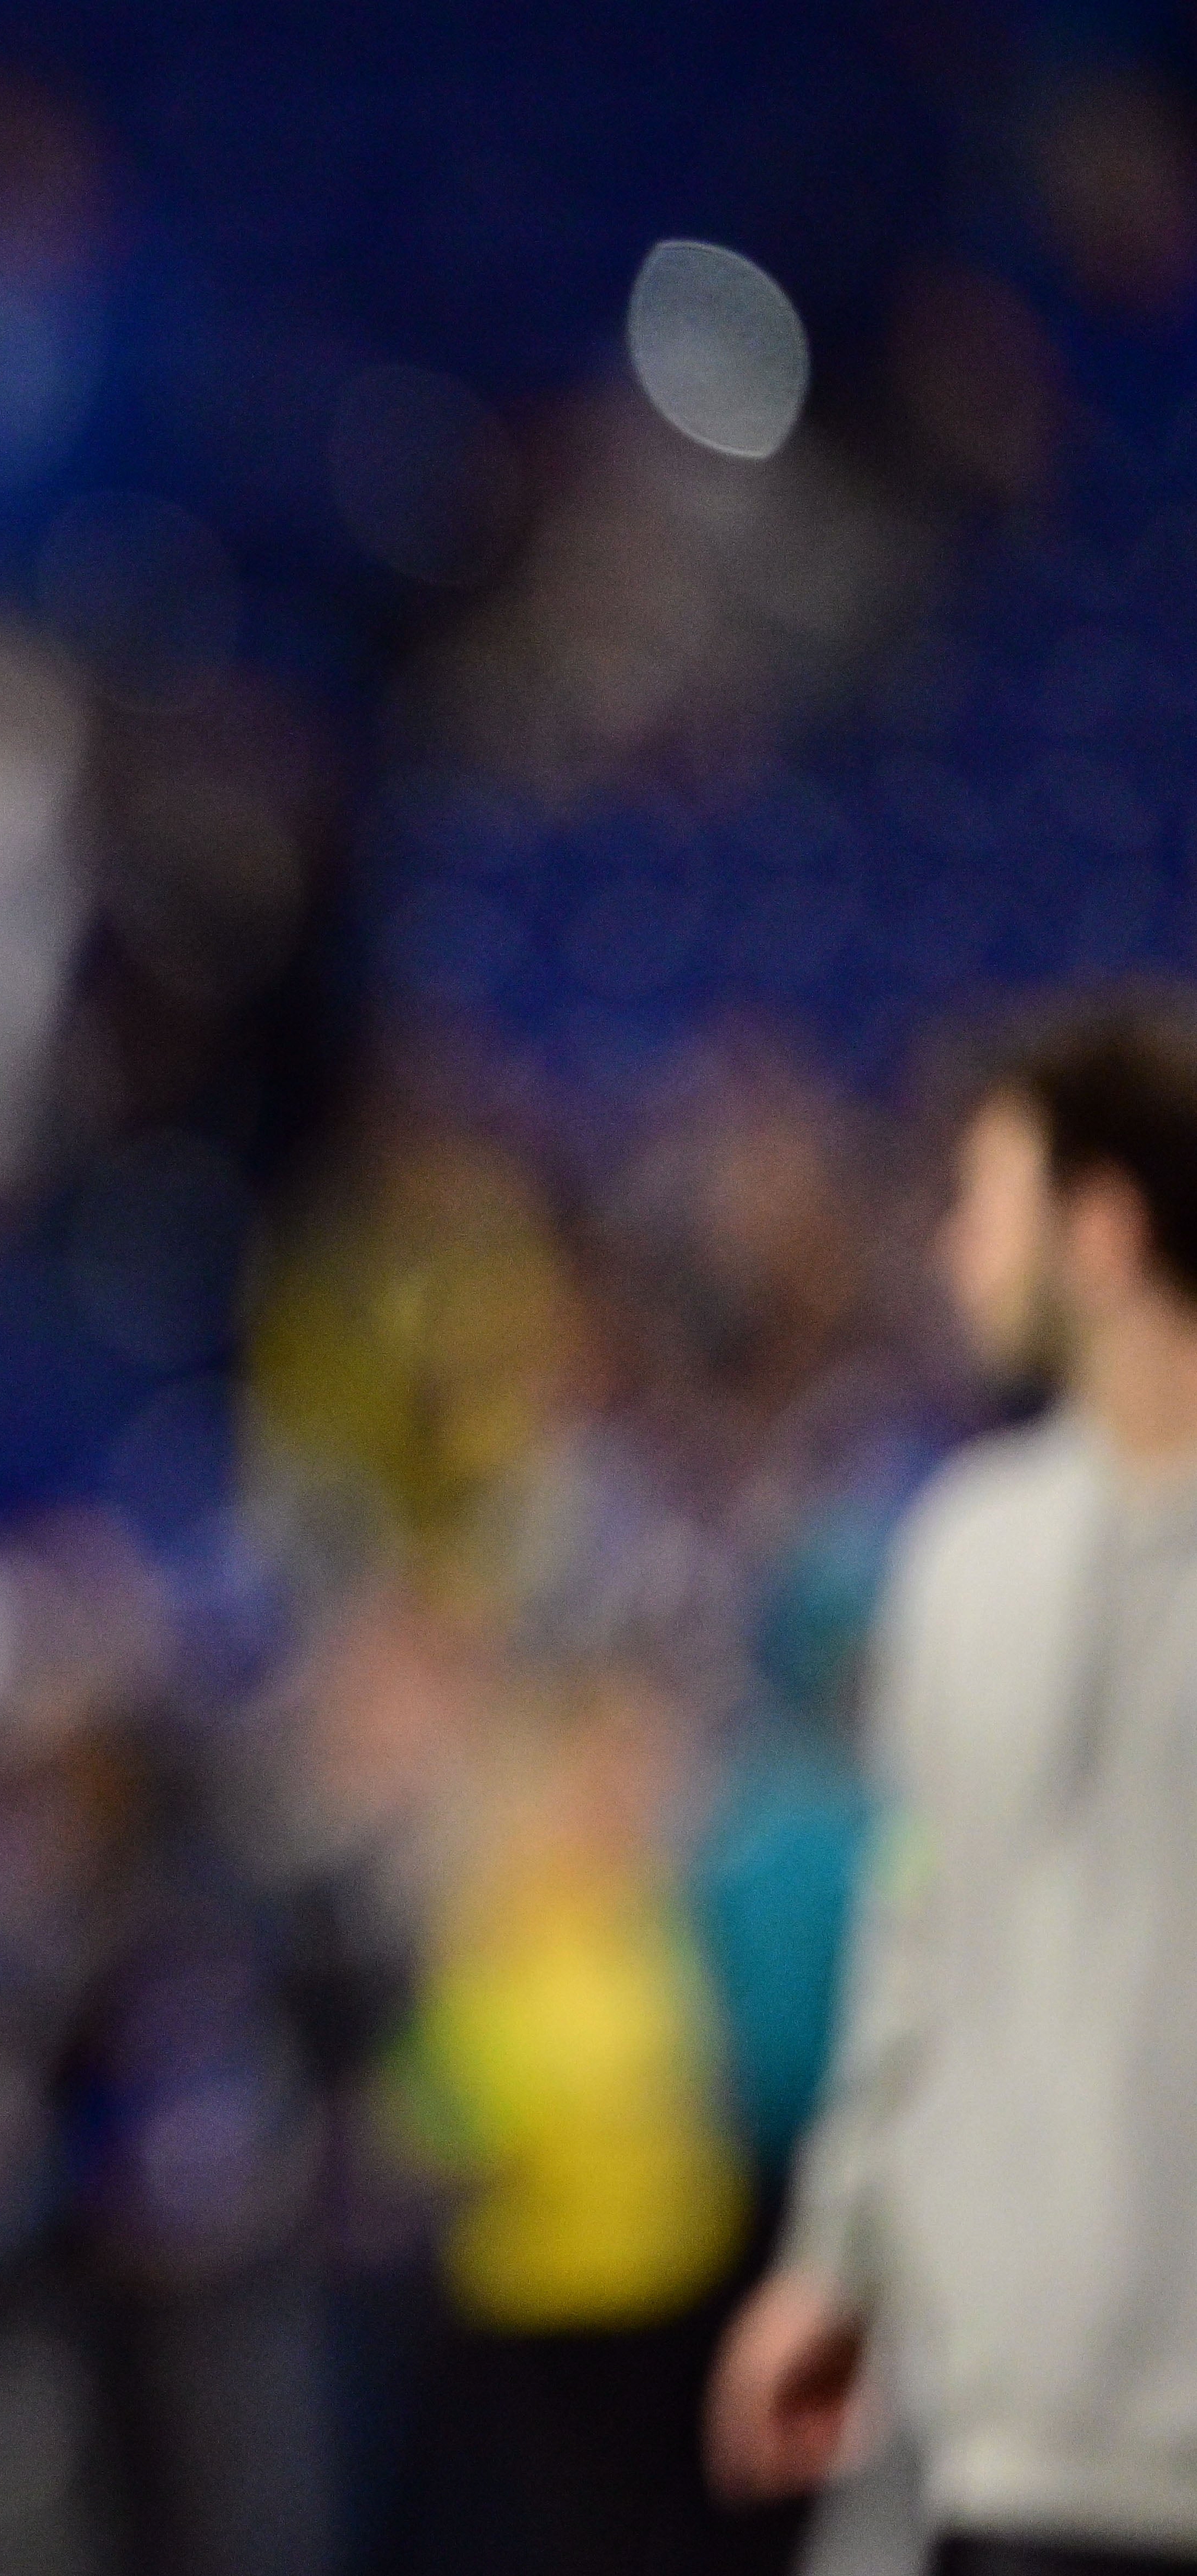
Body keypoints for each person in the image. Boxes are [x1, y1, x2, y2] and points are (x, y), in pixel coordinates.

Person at [709, 994, 1197, 2576]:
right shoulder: (961, 1549)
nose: (950, 1249)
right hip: (995, 2431)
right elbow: (918, 1943)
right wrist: (831, 2263)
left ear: (1104, 1226)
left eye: (983, 1202)